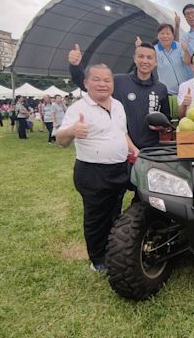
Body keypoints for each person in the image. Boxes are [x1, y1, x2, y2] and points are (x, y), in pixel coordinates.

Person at [57, 64, 138, 273]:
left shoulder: (118, 105)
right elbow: (60, 140)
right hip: (92, 172)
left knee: (115, 213)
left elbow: (123, 133)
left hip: (119, 169)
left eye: (107, 80)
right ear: (86, 83)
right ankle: (98, 259)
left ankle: (113, 251)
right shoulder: (78, 108)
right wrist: (73, 131)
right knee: (96, 218)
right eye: (96, 79)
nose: (102, 84)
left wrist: (135, 150)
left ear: (112, 83)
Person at [69, 42, 170, 150]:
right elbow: (89, 86)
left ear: (155, 62)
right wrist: (75, 67)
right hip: (120, 149)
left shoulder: (161, 89)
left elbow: (165, 121)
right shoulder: (118, 81)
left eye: (149, 57)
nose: (145, 61)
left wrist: (162, 128)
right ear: (135, 59)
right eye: (141, 56)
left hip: (150, 150)